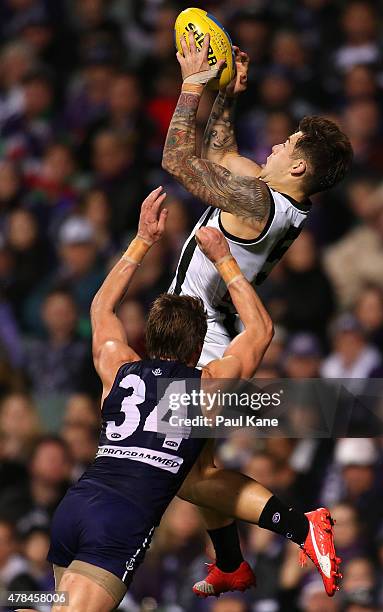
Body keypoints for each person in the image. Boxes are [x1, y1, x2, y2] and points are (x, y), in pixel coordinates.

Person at [162, 32, 352, 596]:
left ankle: (301, 526)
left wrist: (195, 82)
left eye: (287, 142)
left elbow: (179, 158)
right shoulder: (280, 203)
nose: (275, 144)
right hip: (207, 332)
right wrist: (229, 92)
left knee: (184, 476)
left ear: (297, 167)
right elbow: (219, 153)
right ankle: (229, 564)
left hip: (203, 340)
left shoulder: (258, 201)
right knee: (199, 474)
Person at [43, 187, 273, 611]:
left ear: (148, 337)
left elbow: (101, 309)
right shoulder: (204, 388)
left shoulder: (118, 366)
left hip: (74, 509)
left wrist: (143, 239)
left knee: (48, 603)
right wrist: (224, 259)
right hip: (118, 525)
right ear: (199, 344)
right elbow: (259, 332)